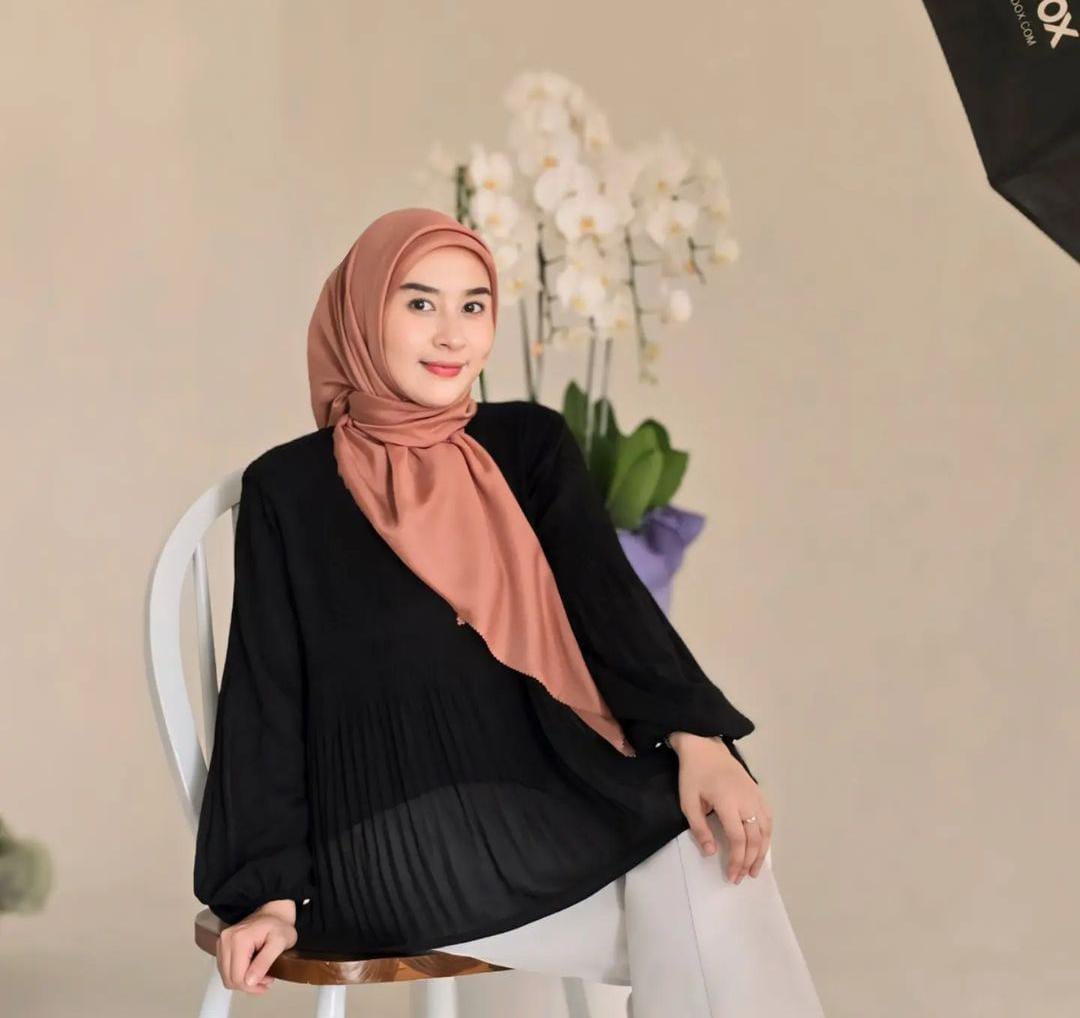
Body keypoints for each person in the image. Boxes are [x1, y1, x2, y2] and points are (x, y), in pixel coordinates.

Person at [193, 207, 824, 1015]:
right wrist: (272, 896)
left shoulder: (527, 446)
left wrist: (698, 740)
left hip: (542, 796)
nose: (451, 334)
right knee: (711, 899)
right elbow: (266, 698)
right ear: (362, 313)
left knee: (714, 860)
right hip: (394, 841)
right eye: (419, 303)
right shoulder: (291, 489)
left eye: (474, 305)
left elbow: (610, 608)